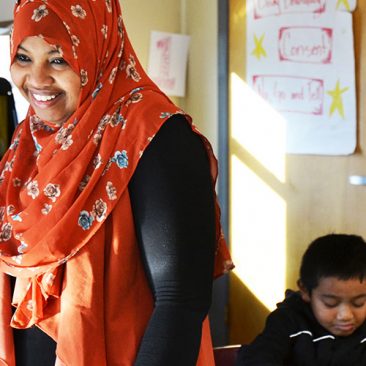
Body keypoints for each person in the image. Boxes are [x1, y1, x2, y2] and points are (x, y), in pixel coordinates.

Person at [0, 1, 233, 365]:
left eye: (59, 59)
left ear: (99, 47)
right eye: (24, 58)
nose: (37, 79)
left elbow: (181, 300)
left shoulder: (155, 134)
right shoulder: (27, 143)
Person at [235, 233, 366, 366]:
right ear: (305, 291)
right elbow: (257, 358)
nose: (345, 315)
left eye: (359, 303)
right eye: (330, 303)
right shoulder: (288, 321)